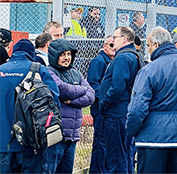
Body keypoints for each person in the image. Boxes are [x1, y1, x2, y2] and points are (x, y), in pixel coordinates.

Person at [127, 27, 177, 174]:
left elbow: (137, 108)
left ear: (156, 45)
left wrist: (132, 131)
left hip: (152, 139)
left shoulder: (148, 70)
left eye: (149, 45)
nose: (148, 50)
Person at [0, 39, 59, 173]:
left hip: (3, 143)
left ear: (13, 52)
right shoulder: (38, 70)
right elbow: (54, 101)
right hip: (32, 142)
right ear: (31, 54)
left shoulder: (1, 70)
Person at [46, 38, 95, 174]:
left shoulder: (75, 73)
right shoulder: (49, 72)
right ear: (54, 55)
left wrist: (71, 101)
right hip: (55, 135)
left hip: (72, 136)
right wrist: (80, 89)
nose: (66, 58)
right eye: (63, 54)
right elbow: (62, 89)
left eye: (69, 54)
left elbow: (91, 95)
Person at [99, 26, 141, 174]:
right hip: (124, 112)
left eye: (115, 38)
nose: (112, 41)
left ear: (124, 39)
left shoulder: (123, 57)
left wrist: (103, 104)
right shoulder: (134, 55)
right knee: (125, 156)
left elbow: (117, 87)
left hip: (116, 114)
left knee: (116, 159)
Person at [87, 36, 116, 174]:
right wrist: (106, 100)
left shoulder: (112, 61)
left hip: (107, 108)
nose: (113, 47)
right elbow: (93, 85)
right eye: (111, 44)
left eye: (115, 44)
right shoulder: (98, 62)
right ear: (104, 46)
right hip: (101, 108)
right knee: (101, 143)